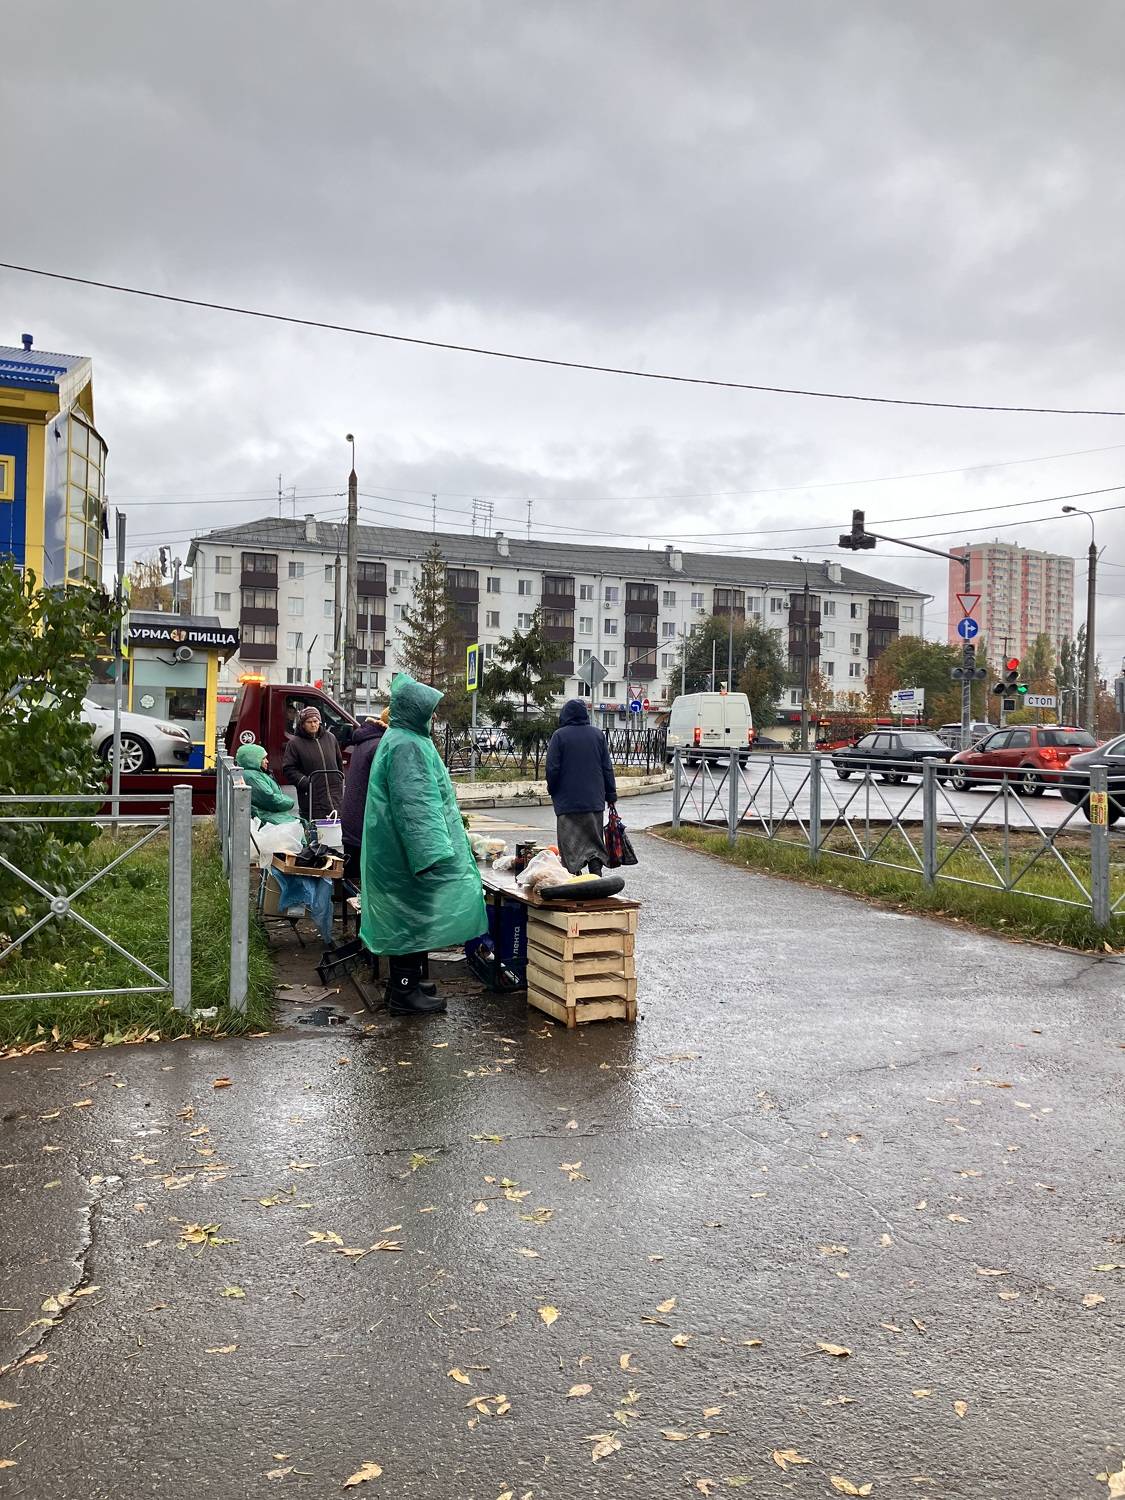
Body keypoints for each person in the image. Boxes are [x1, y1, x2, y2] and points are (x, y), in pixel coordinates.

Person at [360, 674, 487, 1017]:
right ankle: (404, 991)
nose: (434, 717)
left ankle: (408, 982)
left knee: (411, 918)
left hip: (398, 852)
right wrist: (431, 855)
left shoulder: (404, 737)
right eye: (430, 711)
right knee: (410, 919)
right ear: (416, 710)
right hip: (409, 855)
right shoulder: (408, 745)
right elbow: (416, 805)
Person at [546, 698, 617, 875]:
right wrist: (611, 795)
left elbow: (552, 768)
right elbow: (607, 768)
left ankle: (574, 877)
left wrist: (552, 790)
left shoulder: (559, 736)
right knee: (594, 841)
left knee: (569, 844)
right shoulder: (598, 735)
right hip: (594, 801)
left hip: (567, 802)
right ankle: (595, 874)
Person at [340, 707, 388, 881]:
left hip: (353, 819)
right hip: (364, 821)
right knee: (362, 880)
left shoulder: (365, 741)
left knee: (352, 876)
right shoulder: (379, 746)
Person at [282, 705, 344, 821]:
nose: (313, 724)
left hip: (334, 792)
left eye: (315, 721)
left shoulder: (331, 738)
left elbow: (339, 761)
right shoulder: (295, 743)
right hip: (311, 793)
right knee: (315, 826)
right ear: (302, 724)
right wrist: (305, 781)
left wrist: (340, 778)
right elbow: (288, 768)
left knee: (336, 824)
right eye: (309, 722)